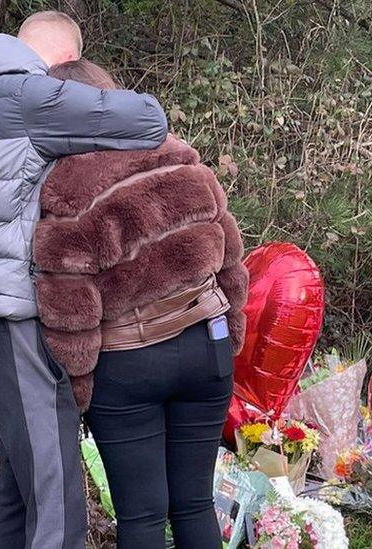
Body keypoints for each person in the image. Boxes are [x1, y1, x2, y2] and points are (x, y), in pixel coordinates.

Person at [0, 11, 168, 549]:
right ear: (66, 60)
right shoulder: (27, 96)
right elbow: (147, 119)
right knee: (58, 497)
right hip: (17, 320)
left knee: (20, 488)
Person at [32, 59, 248, 549]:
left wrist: (80, 390)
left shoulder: (65, 187)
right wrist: (230, 334)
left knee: (143, 518)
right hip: (205, 346)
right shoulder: (180, 155)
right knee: (195, 504)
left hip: (127, 365)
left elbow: (70, 310)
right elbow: (232, 259)